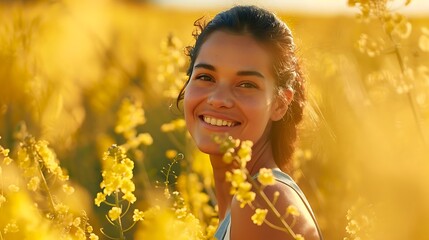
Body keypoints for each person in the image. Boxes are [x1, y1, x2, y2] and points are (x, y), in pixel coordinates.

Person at [176, 5, 323, 240]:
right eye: (205, 77)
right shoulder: (248, 202)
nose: (218, 100)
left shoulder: (260, 206)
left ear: (280, 104)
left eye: (246, 84)